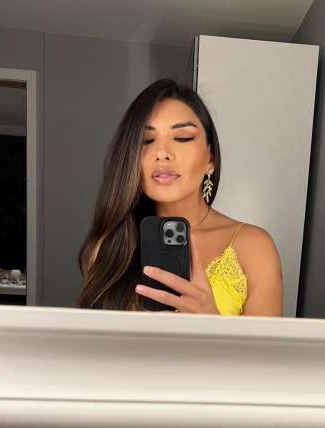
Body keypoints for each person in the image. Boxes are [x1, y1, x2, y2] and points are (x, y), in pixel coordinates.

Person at [75, 78, 283, 316]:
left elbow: (265, 343)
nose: (162, 153)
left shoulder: (254, 247)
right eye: (146, 140)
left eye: (182, 138)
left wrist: (210, 320)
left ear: (210, 158)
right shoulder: (109, 248)